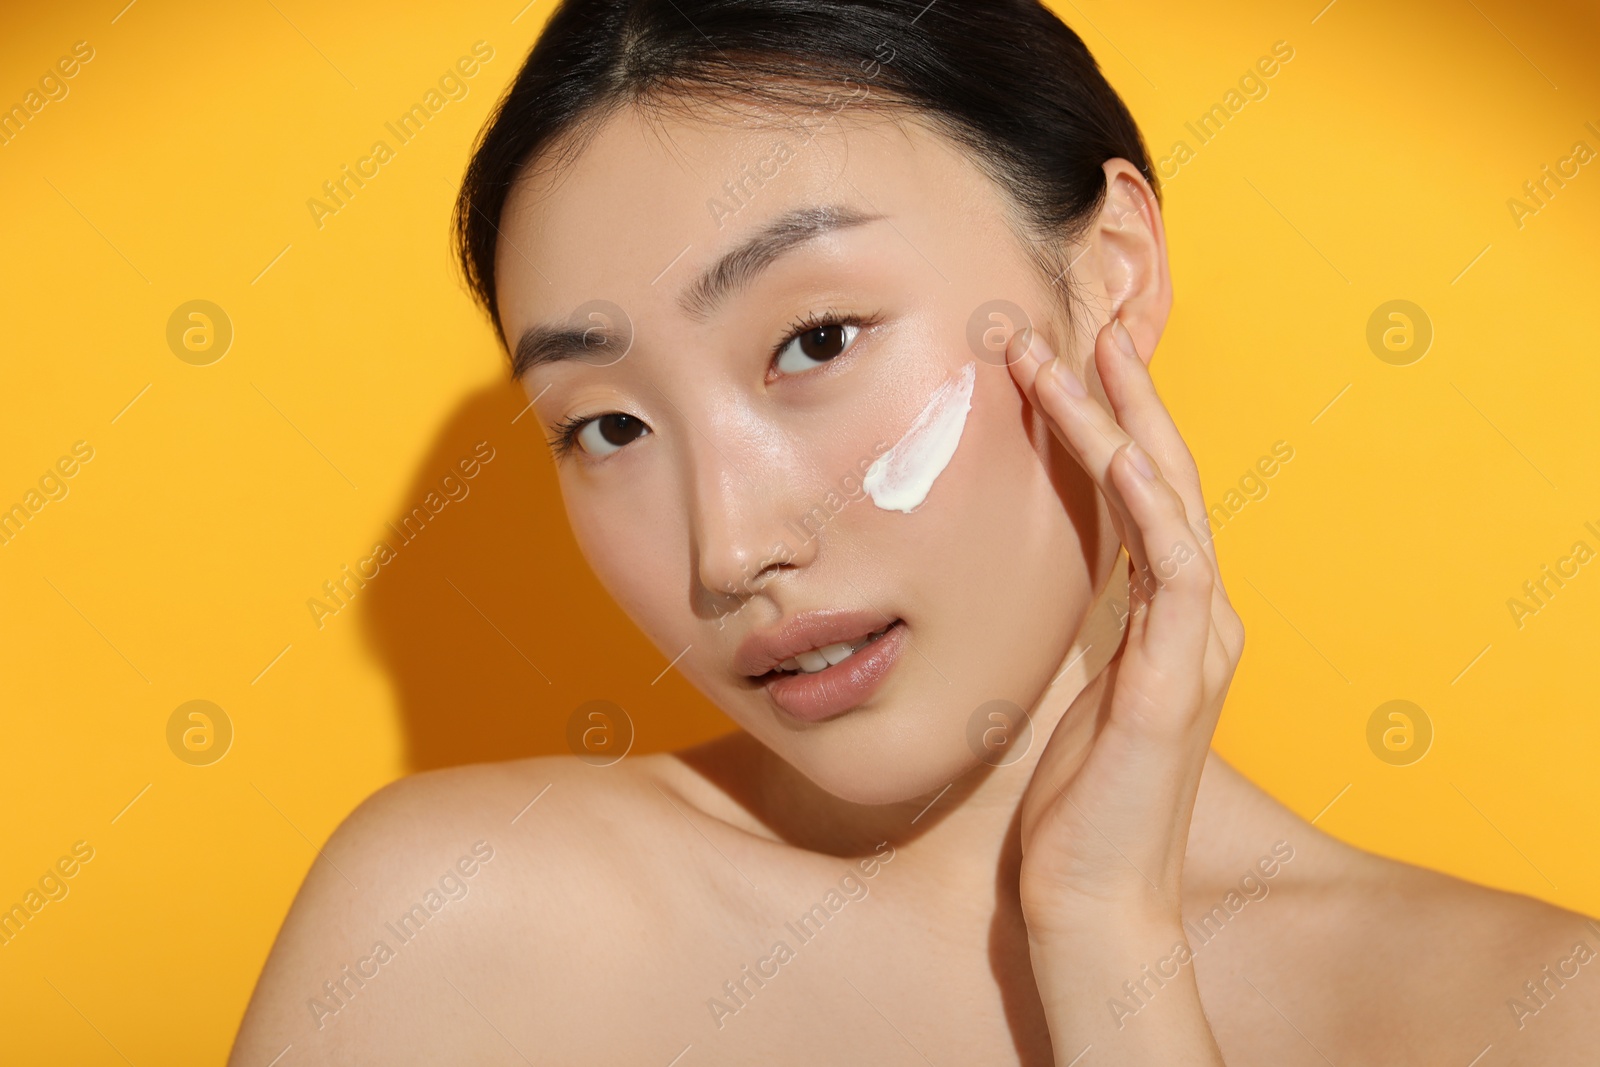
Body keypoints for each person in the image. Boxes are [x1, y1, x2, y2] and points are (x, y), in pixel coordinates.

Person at [229, 1, 1598, 1062]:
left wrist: (1112, 948)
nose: (729, 548)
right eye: (607, 427)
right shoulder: (455, 932)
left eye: (816, 339)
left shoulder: (1534, 1021)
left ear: (1108, 274)